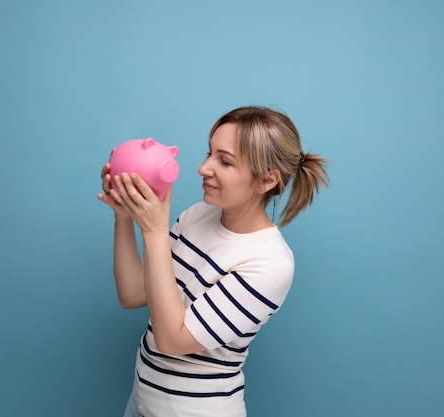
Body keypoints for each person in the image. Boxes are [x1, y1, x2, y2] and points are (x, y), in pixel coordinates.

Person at [97, 106, 329, 417]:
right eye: (209, 153)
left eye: (225, 161)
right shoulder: (197, 215)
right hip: (141, 401)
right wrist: (124, 217)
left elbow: (171, 340)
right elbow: (133, 293)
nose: (203, 168)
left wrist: (153, 232)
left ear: (266, 180)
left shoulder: (270, 263)